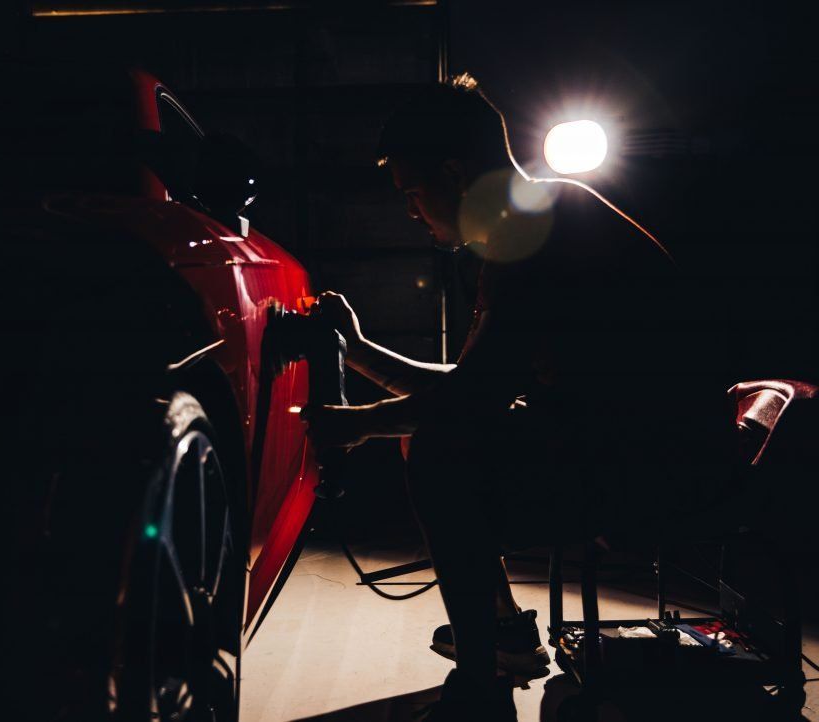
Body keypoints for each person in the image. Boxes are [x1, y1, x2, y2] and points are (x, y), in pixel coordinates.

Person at [301, 74, 734, 720]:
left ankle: (479, 689)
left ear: (453, 172)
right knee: (440, 436)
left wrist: (357, 426)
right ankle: (500, 634)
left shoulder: (530, 239)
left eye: (414, 193)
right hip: (639, 446)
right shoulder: (537, 215)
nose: (411, 212)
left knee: (439, 452)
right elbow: (473, 386)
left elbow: (468, 400)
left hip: (662, 471)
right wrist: (358, 351)